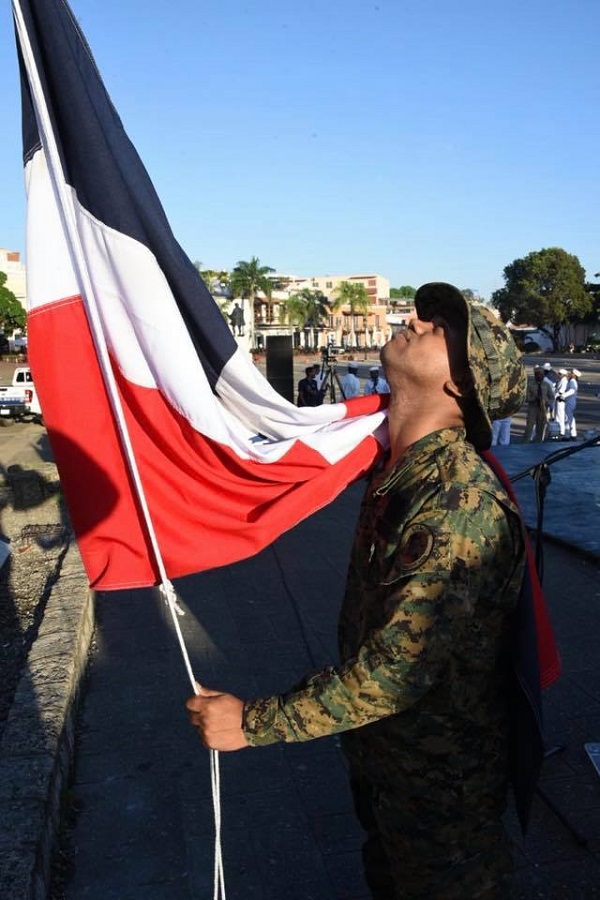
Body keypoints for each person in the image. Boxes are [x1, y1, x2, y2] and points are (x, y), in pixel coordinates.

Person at [187, 283, 530, 898]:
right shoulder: (401, 471)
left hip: (440, 793)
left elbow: (396, 672)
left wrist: (254, 723)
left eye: (444, 330)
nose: (421, 321)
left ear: (461, 386)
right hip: (390, 768)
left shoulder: (455, 502)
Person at [524, 366, 553, 442]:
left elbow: (552, 397)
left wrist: (547, 402)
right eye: (539, 374)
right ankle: (525, 443)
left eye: (543, 374)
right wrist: (533, 399)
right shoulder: (530, 385)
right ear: (536, 375)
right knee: (529, 428)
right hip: (532, 408)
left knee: (541, 428)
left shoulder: (547, 385)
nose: (541, 376)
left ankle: (538, 444)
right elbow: (525, 398)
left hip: (543, 409)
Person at [562, 367, 581, 440]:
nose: (569, 373)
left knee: (567, 418)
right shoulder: (572, 381)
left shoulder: (572, 381)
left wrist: (562, 396)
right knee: (571, 418)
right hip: (571, 401)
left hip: (570, 401)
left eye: (571, 372)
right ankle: (573, 434)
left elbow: (572, 391)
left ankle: (567, 436)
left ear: (574, 375)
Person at [553, 368, 569, 437]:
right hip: (558, 400)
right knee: (558, 416)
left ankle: (562, 432)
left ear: (563, 375)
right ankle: (558, 431)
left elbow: (561, 391)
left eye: (559, 374)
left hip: (560, 401)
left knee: (560, 417)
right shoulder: (561, 380)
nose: (558, 375)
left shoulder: (564, 381)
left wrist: (555, 395)